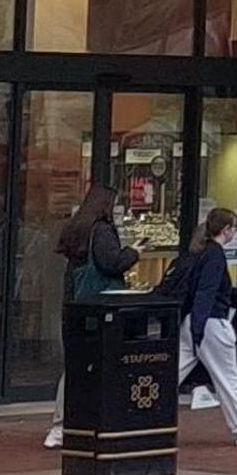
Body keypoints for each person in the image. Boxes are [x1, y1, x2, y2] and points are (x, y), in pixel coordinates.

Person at [42, 183, 139, 452]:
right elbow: (112, 263)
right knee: (102, 361)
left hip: (76, 303)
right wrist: (134, 252)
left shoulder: (77, 228)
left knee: (75, 364)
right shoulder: (103, 231)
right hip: (99, 306)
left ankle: (61, 424)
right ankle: (94, 420)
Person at [177, 207, 237, 446]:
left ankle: (134, 413)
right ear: (226, 230)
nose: (235, 232)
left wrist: (193, 326)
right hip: (211, 323)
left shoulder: (201, 253)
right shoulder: (215, 256)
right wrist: (200, 328)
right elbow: (206, 293)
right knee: (227, 378)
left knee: (171, 372)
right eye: (234, 227)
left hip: (194, 322)